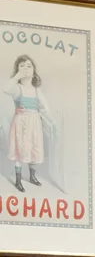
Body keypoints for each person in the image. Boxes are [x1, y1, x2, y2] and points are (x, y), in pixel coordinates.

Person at [3, 54, 56, 192]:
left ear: (34, 71)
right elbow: (5, 89)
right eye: (22, 66)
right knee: (20, 149)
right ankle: (18, 180)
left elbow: (45, 108)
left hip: (34, 124)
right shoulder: (17, 88)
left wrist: (51, 121)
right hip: (21, 123)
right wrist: (16, 77)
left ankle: (32, 176)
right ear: (17, 70)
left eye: (29, 66)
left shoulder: (36, 90)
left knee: (32, 147)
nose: (26, 68)